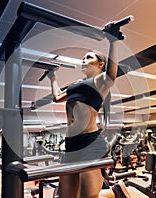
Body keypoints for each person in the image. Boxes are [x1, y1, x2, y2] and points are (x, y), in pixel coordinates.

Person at [47, 22, 125, 198]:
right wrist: (52, 77)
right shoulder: (76, 85)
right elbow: (58, 97)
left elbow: (112, 74)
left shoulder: (99, 82)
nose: (84, 60)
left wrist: (113, 41)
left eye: (88, 58)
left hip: (90, 143)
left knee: (87, 197)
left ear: (100, 64)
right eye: (83, 58)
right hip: (71, 144)